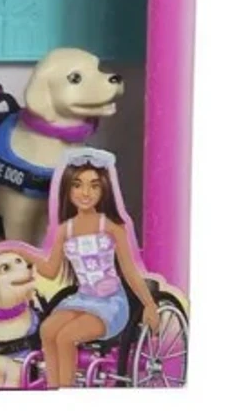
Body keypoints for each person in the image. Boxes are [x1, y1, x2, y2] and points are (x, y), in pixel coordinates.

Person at [17, 149, 159, 388]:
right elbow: (51, 270)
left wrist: (149, 304)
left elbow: (129, 270)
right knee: (48, 330)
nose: (85, 193)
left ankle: (66, 389)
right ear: (68, 189)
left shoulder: (111, 227)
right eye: (78, 185)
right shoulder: (66, 230)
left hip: (110, 303)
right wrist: (25, 252)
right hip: (82, 299)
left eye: (94, 186)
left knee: (66, 337)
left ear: (103, 190)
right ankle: (53, 387)